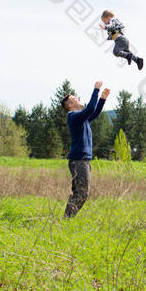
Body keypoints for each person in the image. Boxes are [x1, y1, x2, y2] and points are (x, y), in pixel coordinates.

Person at [61, 81, 110, 218]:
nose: (78, 99)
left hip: (82, 161)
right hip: (78, 161)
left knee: (78, 192)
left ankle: (66, 219)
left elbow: (93, 113)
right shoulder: (73, 117)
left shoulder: (82, 119)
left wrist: (102, 99)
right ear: (70, 105)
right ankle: (67, 218)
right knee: (83, 193)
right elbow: (89, 110)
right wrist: (96, 90)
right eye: (75, 98)